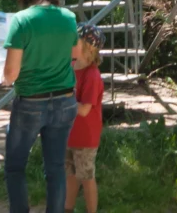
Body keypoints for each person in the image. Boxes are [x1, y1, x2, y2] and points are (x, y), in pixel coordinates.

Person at [0, 0, 79, 213]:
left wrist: (3, 79)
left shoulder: (22, 20)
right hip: (66, 101)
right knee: (55, 168)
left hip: (31, 102)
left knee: (15, 166)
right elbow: (75, 55)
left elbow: (11, 73)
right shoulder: (68, 17)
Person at [64, 26, 104, 213]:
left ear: (88, 47)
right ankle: (67, 209)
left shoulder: (92, 75)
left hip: (85, 138)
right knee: (70, 175)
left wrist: (63, 97)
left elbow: (85, 110)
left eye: (75, 40)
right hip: (68, 134)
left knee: (86, 177)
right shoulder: (69, 67)